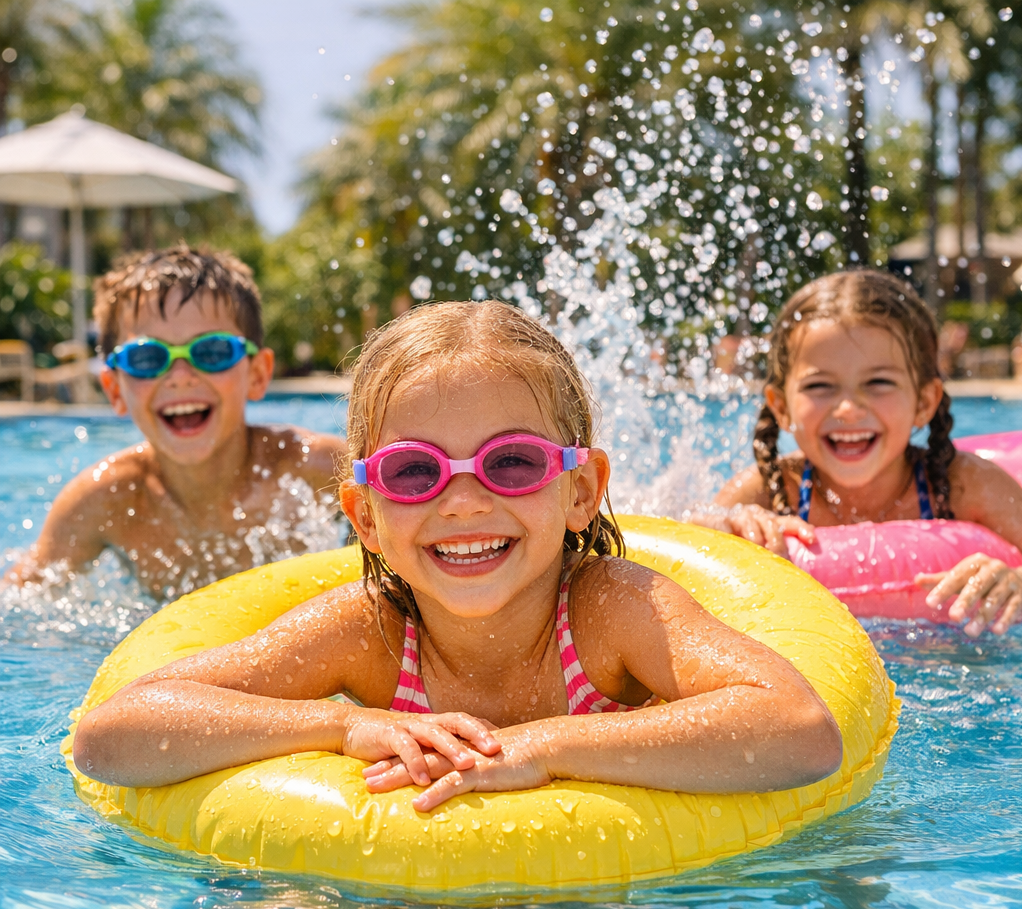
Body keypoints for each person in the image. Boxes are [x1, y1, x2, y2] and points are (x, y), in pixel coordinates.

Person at [72, 300, 841, 812]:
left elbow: (799, 728)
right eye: (415, 472)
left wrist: (545, 747)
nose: (464, 503)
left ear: (581, 490)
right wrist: (339, 729)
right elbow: (112, 733)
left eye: (512, 463)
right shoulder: (367, 632)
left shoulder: (612, 611)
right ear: (365, 517)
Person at [5, 244, 345, 599]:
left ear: (258, 374)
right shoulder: (104, 501)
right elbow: (20, 599)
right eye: (147, 357)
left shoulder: (316, 470)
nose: (180, 376)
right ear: (114, 389)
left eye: (211, 352)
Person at [711, 269, 1022, 637]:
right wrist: (735, 523)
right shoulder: (770, 490)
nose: (848, 409)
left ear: (924, 402)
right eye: (820, 385)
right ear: (781, 407)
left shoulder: (963, 484)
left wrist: (1016, 579)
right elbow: (687, 553)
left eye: (878, 383)